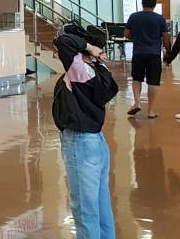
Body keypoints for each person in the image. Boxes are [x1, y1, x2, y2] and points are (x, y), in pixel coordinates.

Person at [52, 24, 119, 239]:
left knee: (84, 209)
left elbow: (63, 41)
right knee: (100, 205)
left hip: (79, 144)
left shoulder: (79, 69)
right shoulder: (102, 71)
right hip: (96, 143)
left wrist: (88, 47)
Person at [124, 0, 171, 119]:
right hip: (154, 54)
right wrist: (168, 51)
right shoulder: (160, 19)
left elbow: (127, 34)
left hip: (138, 53)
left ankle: (137, 102)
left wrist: (135, 37)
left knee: (137, 78)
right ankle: (150, 110)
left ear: (142, 3)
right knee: (153, 81)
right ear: (154, 5)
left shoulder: (134, 17)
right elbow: (166, 37)